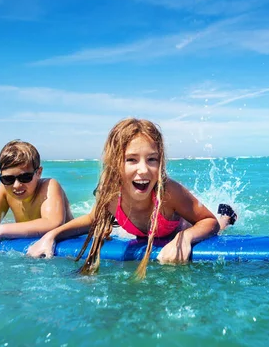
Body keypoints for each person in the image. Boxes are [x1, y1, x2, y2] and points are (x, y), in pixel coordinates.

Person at [26, 118, 236, 279]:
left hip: (180, 226)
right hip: (147, 232)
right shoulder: (111, 193)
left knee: (218, 224)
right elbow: (91, 220)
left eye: (152, 159)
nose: (143, 170)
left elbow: (207, 221)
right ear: (115, 162)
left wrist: (185, 238)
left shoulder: (168, 193)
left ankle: (227, 216)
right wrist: (51, 236)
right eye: (132, 160)